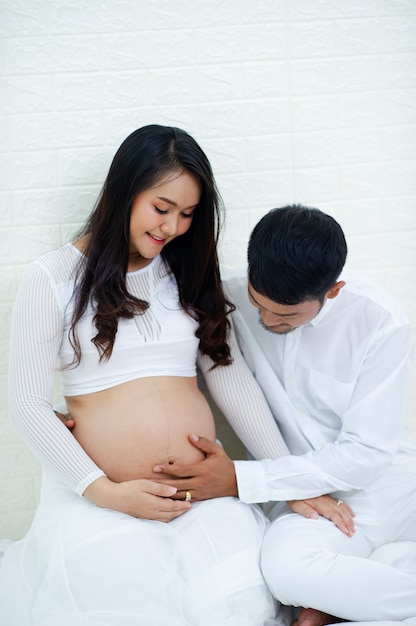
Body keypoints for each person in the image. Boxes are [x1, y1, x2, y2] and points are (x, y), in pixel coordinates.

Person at [0, 129, 349, 626]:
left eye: (187, 214)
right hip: (103, 499)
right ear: (124, 191)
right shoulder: (52, 277)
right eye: (162, 208)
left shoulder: (186, 272)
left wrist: (288, 477)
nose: (174, 226)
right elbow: (28, 405)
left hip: (200, 498)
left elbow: (230, 378)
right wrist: (104, 490)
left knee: (244, 601)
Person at [153, 205, 416, 625]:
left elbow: (367, 454)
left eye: (287, 315)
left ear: (332, 291)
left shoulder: (381, 321)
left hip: (394, 489)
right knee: (285, 569)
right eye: (259, 305)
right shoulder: (229, 296)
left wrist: (243, 479)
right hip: (309, 505)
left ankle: (336, 602)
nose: (267, 320)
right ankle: (341, 600)